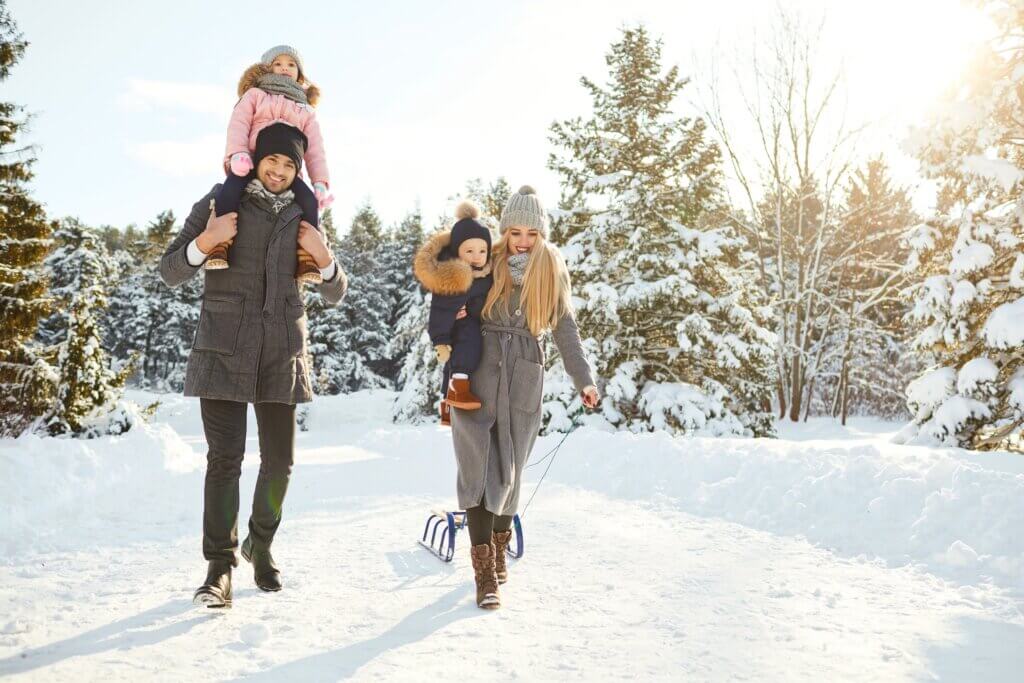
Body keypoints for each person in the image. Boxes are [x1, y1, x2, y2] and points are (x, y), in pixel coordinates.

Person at [159, 122, 348, 609]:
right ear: (255, 159)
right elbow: (170, 271)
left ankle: (259, 543)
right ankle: (219, 568)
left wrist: (324, 257)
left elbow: (335, 291)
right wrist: (208, 240)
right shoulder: (219, 202)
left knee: (280, 463)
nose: (279, 171)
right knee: (224, 461)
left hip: (281, 352)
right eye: (272, 161)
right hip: (223, 347)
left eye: (289, 165)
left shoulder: (306, 214)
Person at [449, 185, 601, 609]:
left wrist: (584, 380)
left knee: (509, 469)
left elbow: (566, 329)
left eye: (532, 233)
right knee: (477, 467)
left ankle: (499, 550)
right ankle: (484, 574)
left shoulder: (551, 268)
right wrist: (451, 313)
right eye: (515, 232)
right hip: (477, 368)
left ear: (542, 234)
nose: (522, 241)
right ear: (504, 231)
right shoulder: (486, 258)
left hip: (524, 374)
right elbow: (446, 284)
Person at [208, 44, 334, 284]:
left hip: (286, 171)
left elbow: (315, 149)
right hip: (252, 161)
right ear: (267, 68)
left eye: (291, 64)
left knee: (308, 202)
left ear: (300, 73)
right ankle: (220, 244)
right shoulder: (256, 95)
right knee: (230, 190)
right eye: (278, 63)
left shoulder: (305, 110)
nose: (285, 68)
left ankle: (306, 257)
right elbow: (239, 125)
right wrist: (237, 154)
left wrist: (319, 181)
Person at [412, 199, 493, 425]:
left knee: (460, 356)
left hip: (476, 322)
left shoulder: (488, 274)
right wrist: (440, 340)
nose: (477, 256)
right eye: (469, 250)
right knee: (468, 341)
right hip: (461, 326)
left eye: (482, 250)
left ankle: (448, 405)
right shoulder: (455, 278)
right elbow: (440, 310)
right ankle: (459, 387)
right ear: (457, 251)